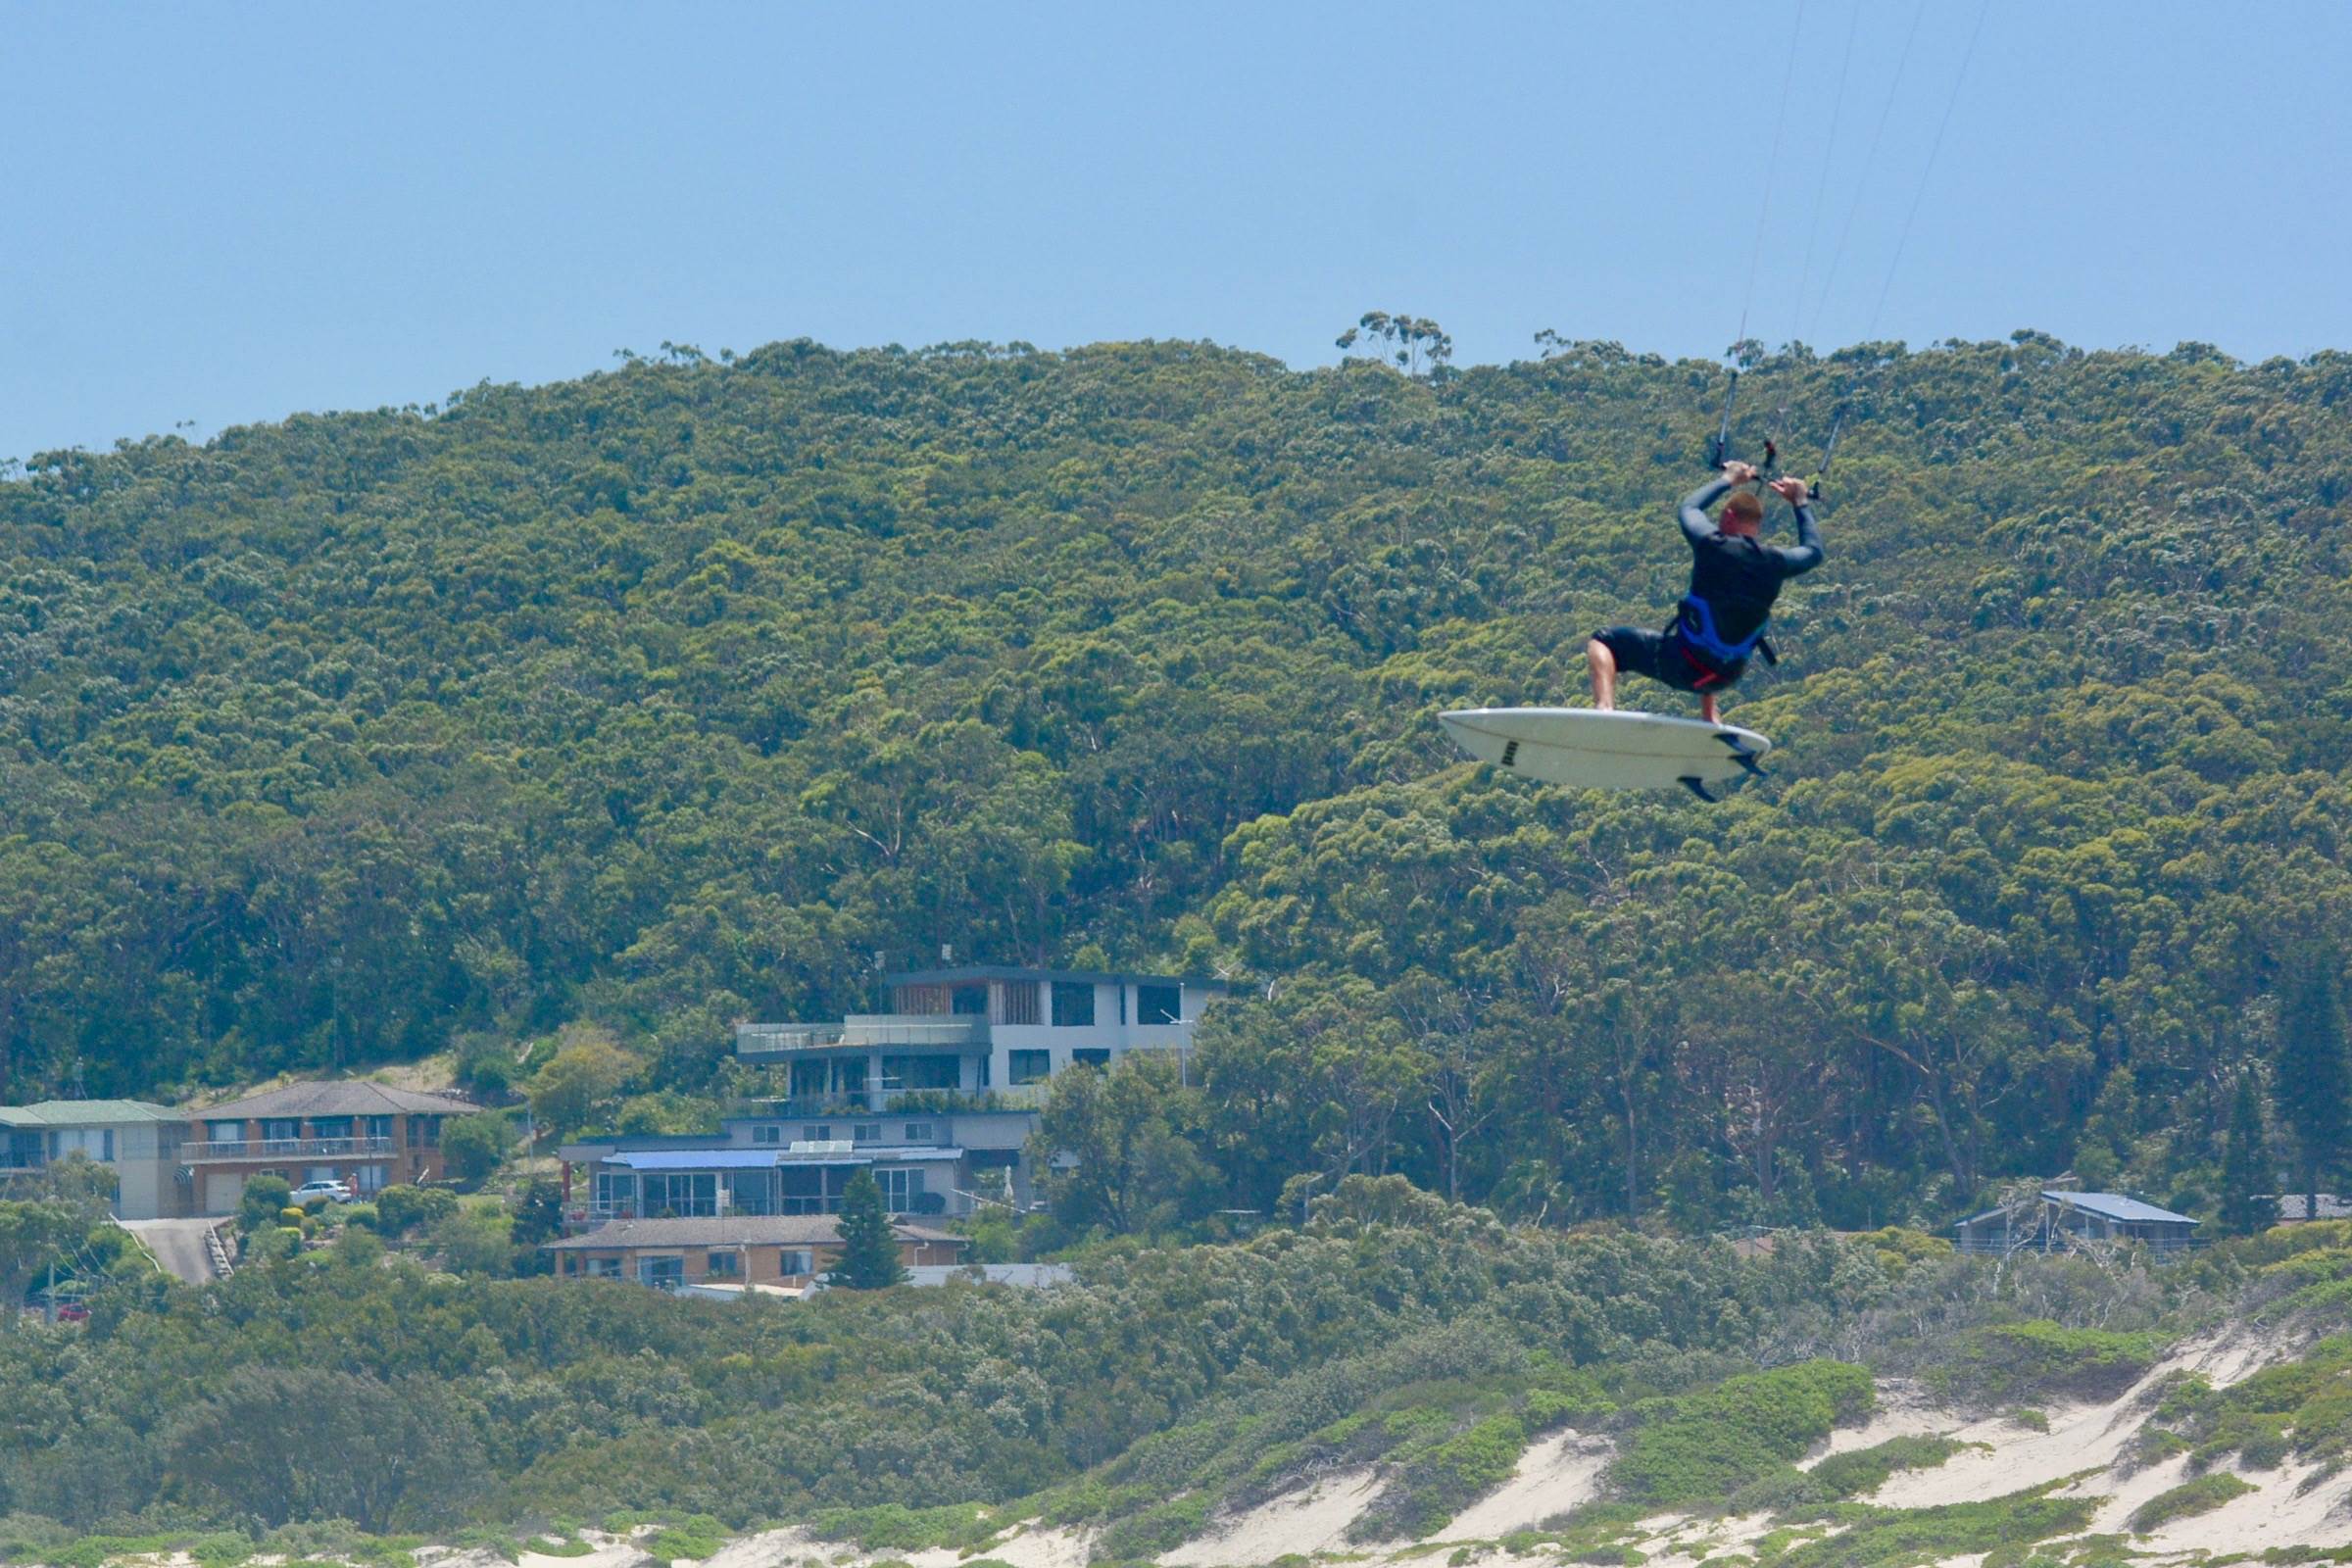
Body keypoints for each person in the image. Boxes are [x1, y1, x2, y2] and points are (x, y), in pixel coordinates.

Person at [1586, 461, 1823, 724]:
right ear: (1756, 526)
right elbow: (1813, 551)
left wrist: (1728, 479)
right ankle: (1710, 716)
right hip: (1727, 675)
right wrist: (1800, 502)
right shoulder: (1776, 563)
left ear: (1728, 516)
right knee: (1721, 621)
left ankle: (1604, 709)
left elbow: (1689, 508)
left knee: (1603, 641)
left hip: (1683, 664)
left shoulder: (1712, 545)